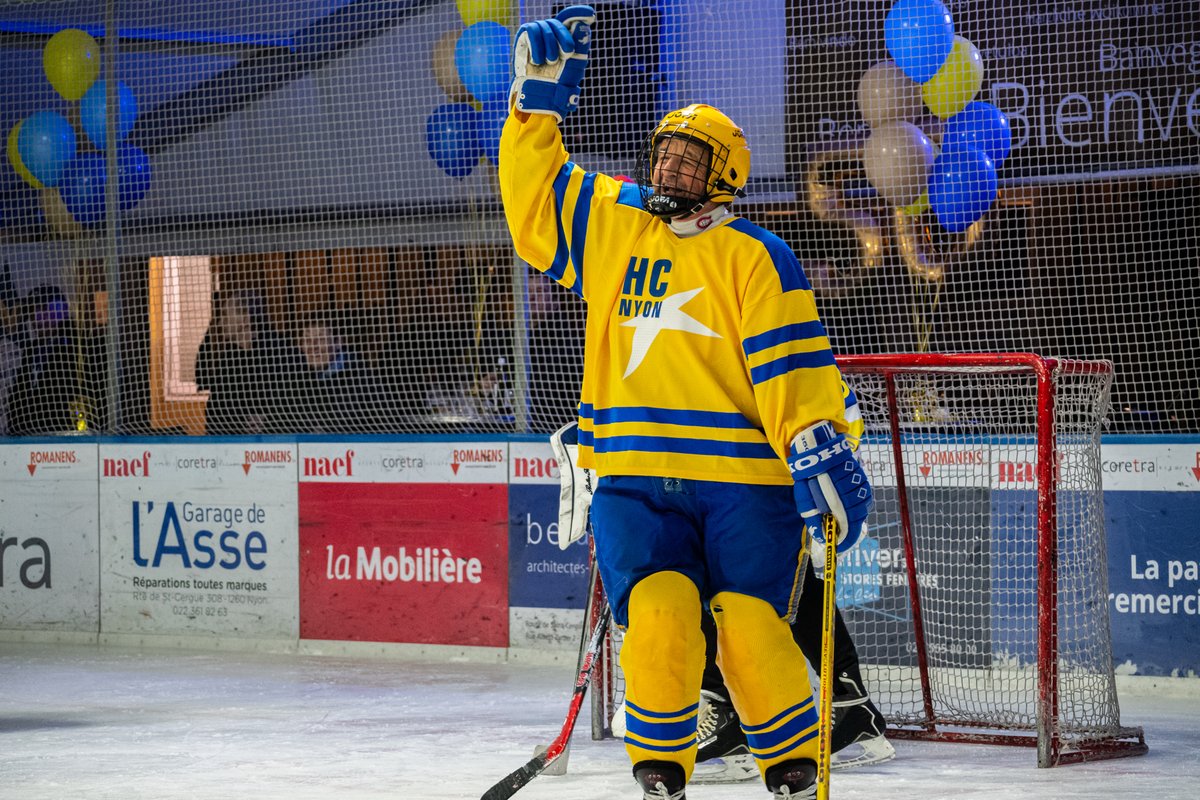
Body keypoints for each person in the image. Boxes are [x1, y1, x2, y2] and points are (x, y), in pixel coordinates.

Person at [500, 8, 874, 800]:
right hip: (637, 473)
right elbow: (534, 210)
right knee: (661, 611)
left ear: (725, 173)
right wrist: (534, 114)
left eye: (688, 161)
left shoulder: (757, 256)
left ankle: (790, 757)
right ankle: (662, 763)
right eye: (663, 155)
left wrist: (818, 440)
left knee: (749, 621)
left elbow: (793, 369)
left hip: (744, 482)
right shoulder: (617, 228)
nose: (669, 170)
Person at [195, 289, 295, 435]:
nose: (221, 322)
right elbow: (214, 405)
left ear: (245, 317)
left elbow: (290, 405)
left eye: (225, 315)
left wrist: (266, 421)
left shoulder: (280, 355)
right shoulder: (228, 359)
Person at [5, 286, 81, 435]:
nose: (36, 318)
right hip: (27, 436)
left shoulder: (74, 347)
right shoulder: (31, 350)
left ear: (58, 312)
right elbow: (19, 394)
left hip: (63, 437)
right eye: (33, 312)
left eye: (42, 310)